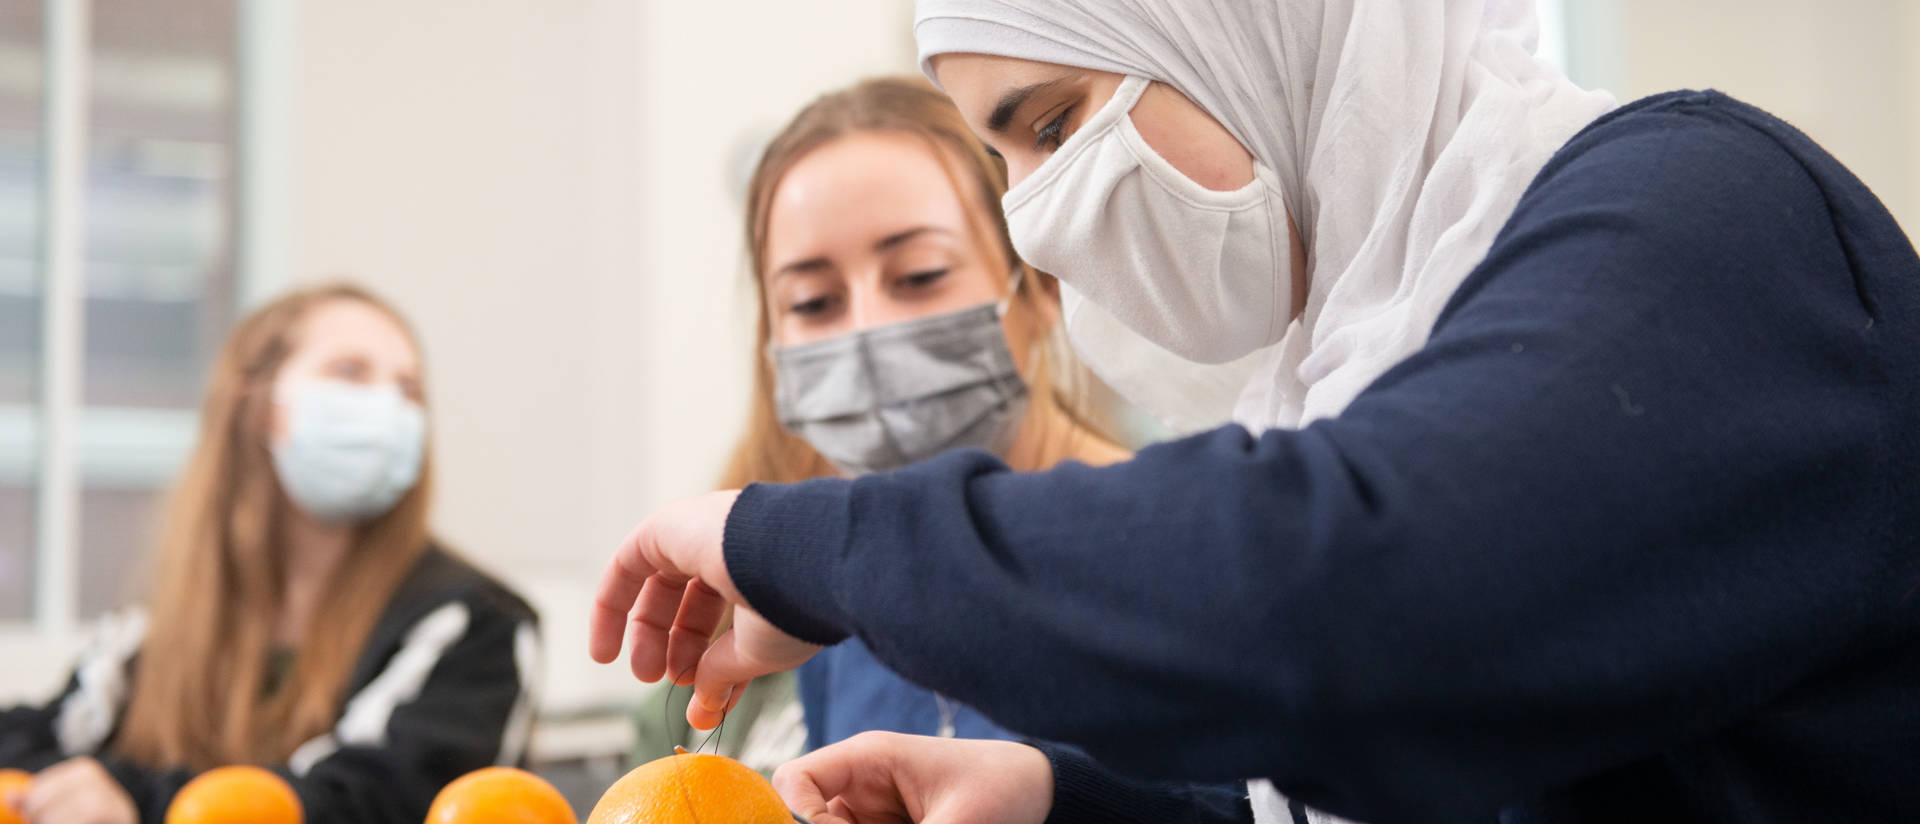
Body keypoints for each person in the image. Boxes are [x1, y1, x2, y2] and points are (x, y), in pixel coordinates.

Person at [590, 2, 1920, 823]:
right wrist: (1070, 803)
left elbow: (1360, 616)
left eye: (1053, 123)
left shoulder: (1709, 215)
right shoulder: (1348, 346)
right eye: (1002, 156)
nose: (1039, 219)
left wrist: (800, 541)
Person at [632, 75, 1138, 768]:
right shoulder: (825, 612)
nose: (868, 333)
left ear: (1040, 285)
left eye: (921, 274)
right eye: (813, 302)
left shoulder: (1165, 554)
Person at [0, 284, 540, 824]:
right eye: (350, 373)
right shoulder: (155, 627)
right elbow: (28, 742)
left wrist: (134, 801)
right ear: (259, 409)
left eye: (409, 389)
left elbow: (369, 803)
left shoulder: (476, 624)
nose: (388, 407)